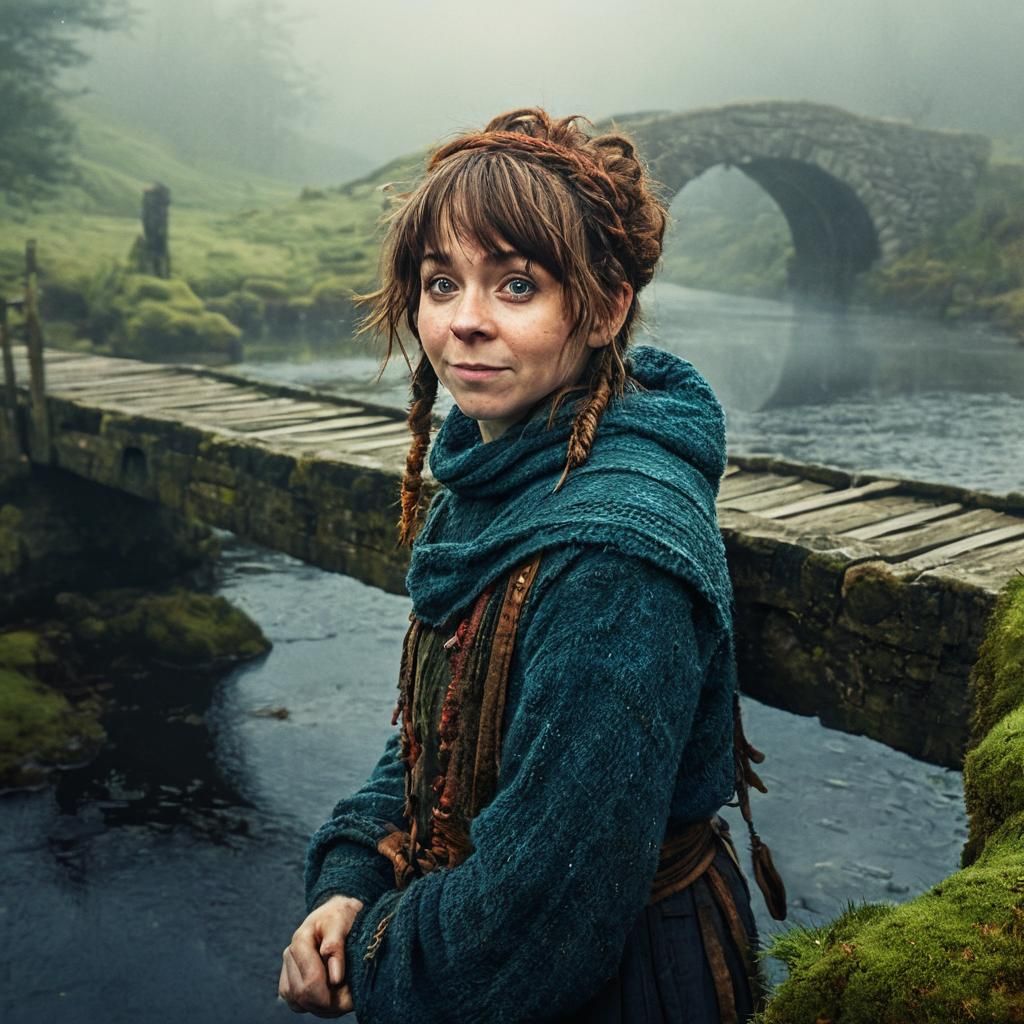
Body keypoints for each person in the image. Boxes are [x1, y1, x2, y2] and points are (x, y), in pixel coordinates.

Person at [279, 108, 782, 1023]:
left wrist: (373, 951)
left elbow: (547, 908)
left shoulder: (615, 558)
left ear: (605, 308)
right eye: (441, 283)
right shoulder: (498, 471)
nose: (464, 323)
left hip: (627, 987)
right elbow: (437, 727)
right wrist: (351, 876)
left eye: (516, 286)